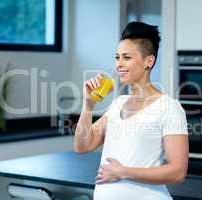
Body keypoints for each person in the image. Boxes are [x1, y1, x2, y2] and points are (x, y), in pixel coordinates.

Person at [74, 21, 189, 200]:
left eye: (127, 58)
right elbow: (82, 146)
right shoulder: (118, 104)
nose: (119, 64)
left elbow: (177, 172)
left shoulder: (169, 108)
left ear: (148, 62)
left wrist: (123, 172)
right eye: (117, 57)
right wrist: (88, 105)